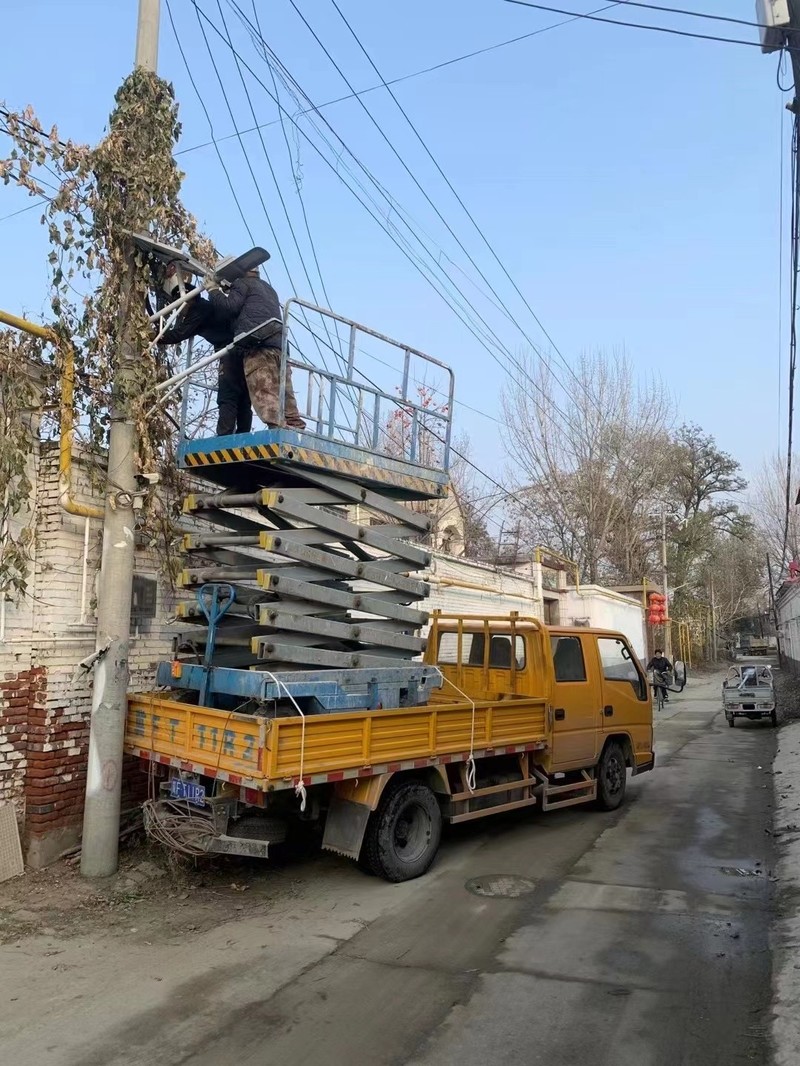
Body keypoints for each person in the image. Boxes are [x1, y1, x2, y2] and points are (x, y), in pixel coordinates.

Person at [156, 263, 252, 436]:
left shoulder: (199, 308)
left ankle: (224, 437)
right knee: (244, 394)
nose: (180, 311)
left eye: (179, 305)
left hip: (230, 350)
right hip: (240, 348)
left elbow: (181, 333)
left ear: (187, 299)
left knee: (228, 394)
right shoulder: (205, 308)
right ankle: (243, 434)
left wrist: (156, 337)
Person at [208, 269, 306, 430]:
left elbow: (229, 307)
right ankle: (295, 425)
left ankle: (278, 429)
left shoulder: (241, 283)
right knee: (285, 390)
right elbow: (252, 308)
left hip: (258, 345)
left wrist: (213, 290)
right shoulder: (268, 289)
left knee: (264, 391)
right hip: (279, 345)